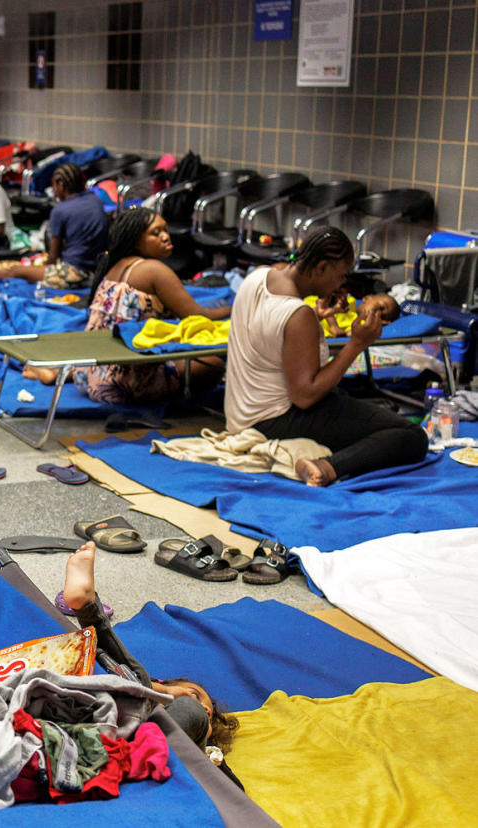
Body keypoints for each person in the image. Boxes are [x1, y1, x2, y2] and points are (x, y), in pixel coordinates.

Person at [224, 226, 428, 486]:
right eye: (340, 275)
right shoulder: (299, 315)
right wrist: (356, 344)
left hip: (240, 417)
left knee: (361, 411)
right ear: (320, 267)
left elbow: (277, 348)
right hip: (275, 422)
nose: (342, 283)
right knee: (410, 435)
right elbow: (305, 395)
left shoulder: (259, 275)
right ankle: (327, 467)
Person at [58, 542, 242, 781]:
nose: (205, 707)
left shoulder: (208, 754)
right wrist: (165, 691)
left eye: (208, 713)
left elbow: (236, 796)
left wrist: (202, 733)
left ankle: (86, 607)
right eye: (194, 694)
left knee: (183, 708)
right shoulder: (143, 702)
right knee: (132, 685)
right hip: (113, 734)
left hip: (157, 763)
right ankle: (85, 604)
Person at [24, 208, 230, 402]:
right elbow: (197, 316)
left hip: (88, 374)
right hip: (123, 385)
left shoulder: (114, 265)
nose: (166, 236)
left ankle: (54, 373)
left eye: (165, 230)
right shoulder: (154, 270)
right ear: (136, 241)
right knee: (213, 365)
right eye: (155, 233)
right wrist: (234, 308)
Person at [43, 162, 110, 287]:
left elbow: (53, 256)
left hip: (75, 270)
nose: (53, 190)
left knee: (17, 272)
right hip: (97, 269)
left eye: (54, 185)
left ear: (61, 185)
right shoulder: (96, 201)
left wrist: (43, 266)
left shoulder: (59, 211)